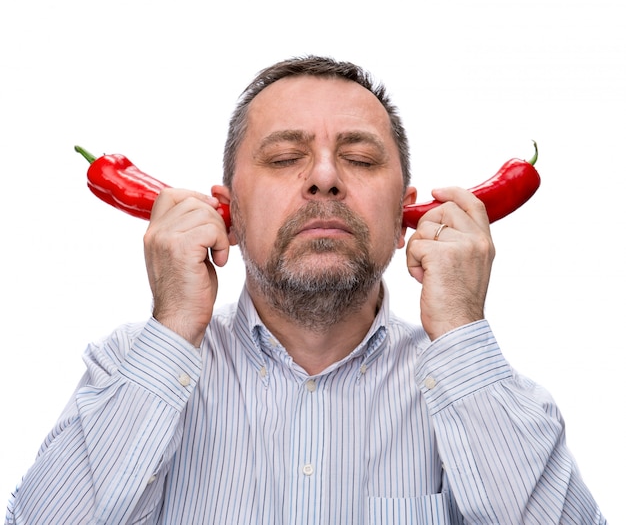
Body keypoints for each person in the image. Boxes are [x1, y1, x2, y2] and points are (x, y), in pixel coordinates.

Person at [6, 56, 605, 524]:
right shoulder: (129, 368)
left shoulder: (483, 392)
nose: (324, 177)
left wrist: (461, 330)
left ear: (406, 218)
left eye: (362, 160)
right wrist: (172, 327)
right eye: (286, 156)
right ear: (228, 214)